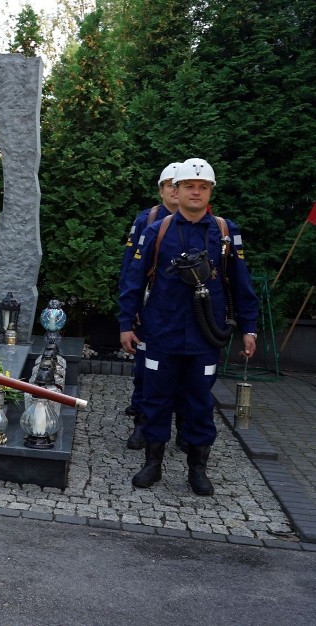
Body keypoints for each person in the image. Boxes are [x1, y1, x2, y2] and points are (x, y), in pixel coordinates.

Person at [119, 158, 259, 496]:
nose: (196, 192)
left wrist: (249, 328)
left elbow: (241, 283)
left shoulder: (225, 232)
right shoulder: (157, 230)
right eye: (189, 186)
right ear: (176, 191)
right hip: (160, 333)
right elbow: (133, 280)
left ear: (210, 191)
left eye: (203, 187)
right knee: (155, 400)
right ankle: (152, 465)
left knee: (199, 404)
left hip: (204, 335)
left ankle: (197, 469)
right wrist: (126, 323)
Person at [119, 163, 188, 452]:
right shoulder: (147, 219)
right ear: (161, 189)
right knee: (146, 369)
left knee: (188, 374)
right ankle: (143, 423)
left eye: (178, 184)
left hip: (190, 313)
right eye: (169, 184)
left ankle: (186, 429)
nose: (174, 189)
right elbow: (131, 268)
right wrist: (129, 308)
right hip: (152, 308)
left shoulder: (209, 222)